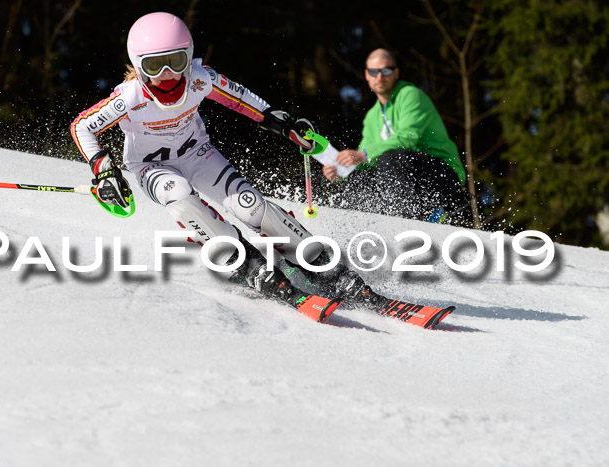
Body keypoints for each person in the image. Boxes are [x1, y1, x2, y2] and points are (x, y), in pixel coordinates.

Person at [70, 12, 384, 309]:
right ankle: (243, 262)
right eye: (155, 66)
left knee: (250, 205)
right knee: (178, 194)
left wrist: (285, 125)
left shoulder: (200, 79)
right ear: (139, 66)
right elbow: (82, 126)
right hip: (153, 167)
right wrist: (104, 170)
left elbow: (246, 101)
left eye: (175, 62)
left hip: (197, 153)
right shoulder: (129, 97)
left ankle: (318, 260)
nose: (167, 76)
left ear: (188, 56)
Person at [322, 48, 472, 224]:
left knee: (391, 158)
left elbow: (408, 138)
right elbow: (363, 162)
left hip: (440, 178)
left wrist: (362, 155)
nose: (380, 77)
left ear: (396, 73)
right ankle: (364, 226)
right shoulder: (372, 116)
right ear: (367, 75)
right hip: (407, 184)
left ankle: (403, 224)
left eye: (386, 71)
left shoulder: (411, 95)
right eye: (374, 71)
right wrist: (341, 172)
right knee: (358, 179)